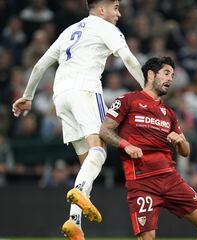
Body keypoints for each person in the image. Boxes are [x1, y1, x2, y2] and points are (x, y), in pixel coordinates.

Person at [12, 0, 144, 239]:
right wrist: (148, 93)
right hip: (85, 90)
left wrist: (27, 96)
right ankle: (80, 191)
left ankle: (75, 222)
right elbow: (130, 60)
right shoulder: (106, 27)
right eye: (115, 8)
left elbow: (41, 64)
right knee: (100, 149)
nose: (119, 13)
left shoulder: (69, 30)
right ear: (102, 9)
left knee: (87, 163)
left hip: (61, 96)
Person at [99, 57, 197, 240]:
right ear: (150, 74)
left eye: (172, 75)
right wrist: (127, 145)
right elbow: (104, 130)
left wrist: (180, 141)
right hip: (141, 182)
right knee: (147, 238)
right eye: (166, 73)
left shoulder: (169, 113)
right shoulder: (127, 100)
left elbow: (185, 152)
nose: (170, 79)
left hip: (171, 179)